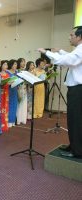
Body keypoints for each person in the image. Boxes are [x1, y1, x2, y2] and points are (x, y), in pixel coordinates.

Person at [38, 26, 82, 158]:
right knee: (75, 120)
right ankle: (75, 146)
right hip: (77, 90)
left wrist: (46, 52)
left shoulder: (80, 50)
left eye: (71, 35)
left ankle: (77, 151)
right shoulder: (78, 50)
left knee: (76, 120)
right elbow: (70, 56)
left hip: (78, 90)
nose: (69, 37)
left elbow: (67, 60)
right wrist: (61, 51)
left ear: (79, 37)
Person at [6, 59, 18, 127]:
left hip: (15, 89)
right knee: (10, 105)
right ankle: (9, 121)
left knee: (15, 105)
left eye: (16, 64)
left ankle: (13, 121)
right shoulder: (8, 72)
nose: (16, 66)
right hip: (9, 89)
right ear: (11, 65)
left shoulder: (17, 72)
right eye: (14, 64)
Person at [0, 60, 10, 132]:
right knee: (1, 107)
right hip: (0, 92)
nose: (6, 66)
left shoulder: (7, 74)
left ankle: (5, 123)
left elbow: (8, 83)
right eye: (5, 65)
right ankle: (0, 124)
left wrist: (10, 82)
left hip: (6, 92)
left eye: (7, 65)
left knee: (6, 107)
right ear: (1, 66)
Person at [16, 58, 28, 125]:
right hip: (19, 88)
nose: (24, 63)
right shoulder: (17, 71)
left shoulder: (25, 71)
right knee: (19, 103)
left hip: (25, 87)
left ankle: (23, 119)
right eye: (22, 62)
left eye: (24, 62)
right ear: (19, 63)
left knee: (24, 103)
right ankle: (18, 119)